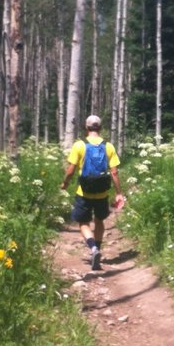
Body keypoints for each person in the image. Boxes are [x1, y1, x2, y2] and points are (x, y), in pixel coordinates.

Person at [60, 115, 125, 270]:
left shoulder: (79, 145)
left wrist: (65, 183)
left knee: (83, 223)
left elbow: (70, 170)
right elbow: (114, 172)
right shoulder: (108, 146)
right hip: (102, 193)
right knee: (100, 220)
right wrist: (118, 192)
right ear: (100, 128)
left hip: (84, 192)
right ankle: (98, 247)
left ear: (86, 127)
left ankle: (93, 248)